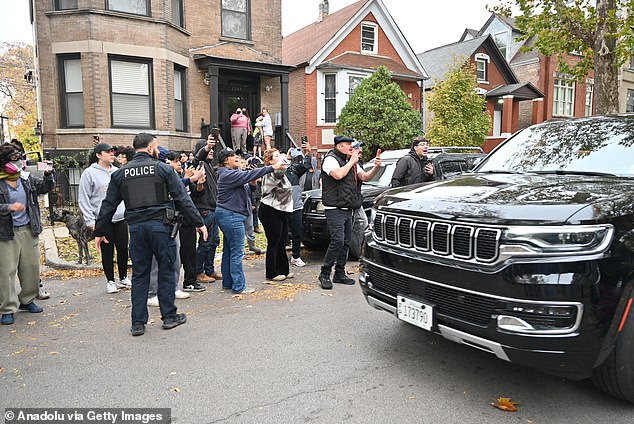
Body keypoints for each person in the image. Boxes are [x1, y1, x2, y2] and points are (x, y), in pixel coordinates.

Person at [94, 133, 207, 337]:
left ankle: (138, 323)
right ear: (149, 148)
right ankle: (169, 316)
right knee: (166, 270)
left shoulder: (120, 174)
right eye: (156, 146)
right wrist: (199, 222)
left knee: (140, 274)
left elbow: (108, 204)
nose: (157, 149)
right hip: (161, 228)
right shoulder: (163, 169)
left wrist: (100, 231)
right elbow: (182, 198)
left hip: (136, 230)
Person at [216, 147, 285, 293]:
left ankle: (228, 283)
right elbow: (249, 174)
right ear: (226, 160)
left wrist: (252, 182)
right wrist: (272, 167)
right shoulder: (228, 174)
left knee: (229, 250)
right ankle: (239, 286)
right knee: (237, 252)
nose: (236, 158)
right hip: (232, 216)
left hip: (230, 215)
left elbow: (249, 189)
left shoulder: (232, 173)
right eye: (233, 156)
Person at [0, 143, 55, 325]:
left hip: (29, 229)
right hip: (6, 233)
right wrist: (9, 207)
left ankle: (27, 299)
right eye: (14, 158)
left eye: (20, 157)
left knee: (30, 268)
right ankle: (8, 308)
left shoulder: (25, 178)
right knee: (6, 271)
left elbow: (44, 188)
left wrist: (48, 174)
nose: (19, 162)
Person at [319, 136, 381, 290]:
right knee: (337, 241)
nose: (351, 147)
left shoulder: (352, 162)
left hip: (349, 208)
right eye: (348, 144)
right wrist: (352, 161)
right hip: (334, 208)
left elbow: (364, 177)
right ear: (339, 146)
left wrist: (376, 167)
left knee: (346, 242)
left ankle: (339, 273)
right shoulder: (330, 159)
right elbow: (338, 175)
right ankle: (324, 273)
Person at [78, 143, 130, 294]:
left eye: (113, 152)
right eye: (108, 152)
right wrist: (90, 221)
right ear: (98, 155)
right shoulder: (89, 173)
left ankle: (123, 277)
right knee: (107, 251)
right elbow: (84, 198)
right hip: (102, 219)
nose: (112, 154)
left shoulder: (117, 171)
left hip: (120, 217)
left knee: (123, 248)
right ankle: (110, 281)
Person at [191, 135, 222, 285]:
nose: (211, 151)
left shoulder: (210, 166)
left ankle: (209, 270)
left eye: (212, 149)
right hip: (204, 209)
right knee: (205, 242)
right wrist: (207, 147)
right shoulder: (199, 164)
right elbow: (198, 158)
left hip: (213, 208)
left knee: (214, 241)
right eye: (208, 149)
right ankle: (198, 272)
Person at [286, 143, 312, 267]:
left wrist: (308, 153)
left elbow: (305, 166)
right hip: (282, 207)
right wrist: (286, 159)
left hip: (296, 206)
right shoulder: (277, 171)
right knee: (282, 234)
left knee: (297, 233)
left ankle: (296, 256)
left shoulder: (293, 170)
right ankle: (279, 258)